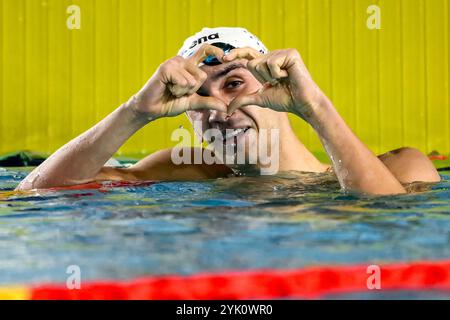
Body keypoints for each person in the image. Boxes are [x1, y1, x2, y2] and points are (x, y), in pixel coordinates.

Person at [16, 27, 440, 195]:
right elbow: (39, 193)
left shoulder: (403, 167)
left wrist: (314, 107)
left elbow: (384, 219)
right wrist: (135, 112)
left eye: (234, 83)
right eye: (198, 98)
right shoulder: (185, 171)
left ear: (278, 87)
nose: (219, 108)